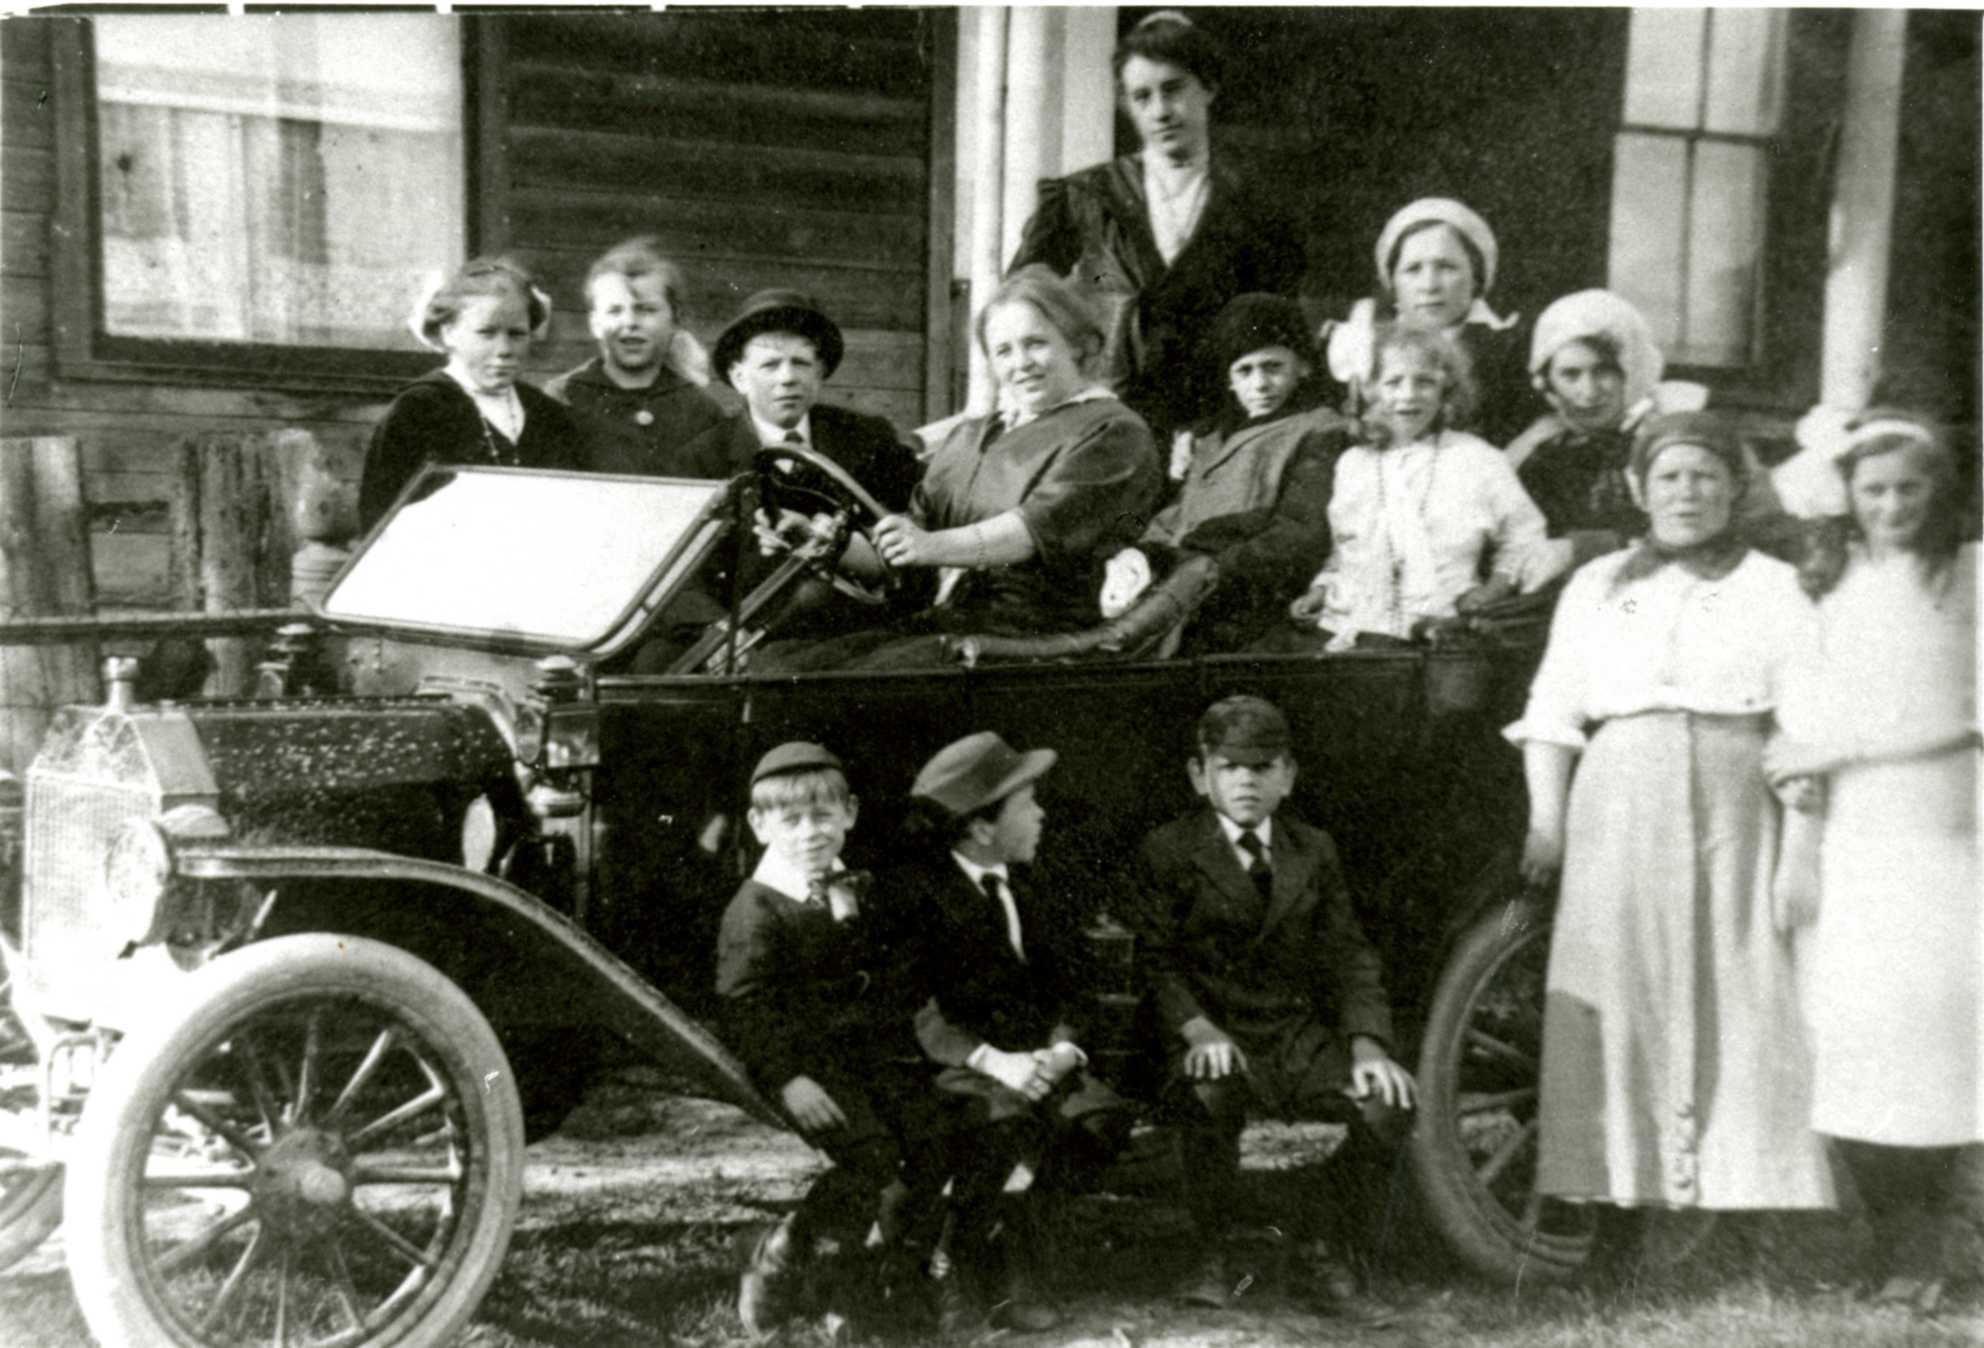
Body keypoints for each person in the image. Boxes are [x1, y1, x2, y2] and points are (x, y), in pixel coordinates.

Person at [1509, 410, 1834, 1220]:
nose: (1686, 493)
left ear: (1734, 486)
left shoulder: (1775, 586)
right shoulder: (1599, 584)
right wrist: (1546, 822)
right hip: (1620, 795)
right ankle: (1623, 1200)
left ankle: (1740, 1204)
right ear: (1638, 489)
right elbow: (1553, 711)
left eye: (1704, 476)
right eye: (1669, 478)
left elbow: (1804, 730)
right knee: (1619, 991)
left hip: (1738, 795)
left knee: (1743, 987)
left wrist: (1800, 852)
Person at [1767, 410, 1980, 1313]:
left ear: (1939, 493)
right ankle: (1885, 1243)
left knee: (1928, 1044)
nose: (1892, 505)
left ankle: (1929, 1250)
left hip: (1940, 832)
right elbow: (1802, 728)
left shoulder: (1969, 576)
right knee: (1856, 1046)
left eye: (1910, 488)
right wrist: (1799, 841)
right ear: (1848, 496)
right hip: (1852, 842)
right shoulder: (1830, 585)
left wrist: (1841, 749)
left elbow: (1971, 718)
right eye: (1874, 488)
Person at [1127, 696, 1413, 1326]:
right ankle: (1213, 1250)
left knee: (1387, 1104)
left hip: (1292, 1036)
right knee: (1209, 1093)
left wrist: (1369, 1045)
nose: (1246, 782)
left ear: (1288, 776)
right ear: (1200, 775)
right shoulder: (1170, 850)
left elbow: (1350, 954)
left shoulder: (1314, 849)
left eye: (1262, 768)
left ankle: (1319, 1244)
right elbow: (1156, 962)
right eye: (1229, 767)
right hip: (1209, 1031)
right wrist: (1198, 1029)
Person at [757, 267, 1162, 671]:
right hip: (953, 623)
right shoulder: (972, 436)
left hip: (1033, 639)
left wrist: (929, 546)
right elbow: (905, 545)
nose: (1021, 363)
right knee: (777, 663)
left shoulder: (1112, 431)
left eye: (1035, 343)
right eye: (1003, 351)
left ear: (1076, 345)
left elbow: (1031, 532)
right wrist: (822, 539)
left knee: (835, 684)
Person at [896, 731, 1130, 1334]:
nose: (1041, 814)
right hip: (960, 1066)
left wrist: (1061, 1048)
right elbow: (919, 1010)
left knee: (1096, 1121)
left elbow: (1072, 982)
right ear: (980, 827)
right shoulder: (919, 898)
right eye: (1027, 804)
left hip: (1038, 1059)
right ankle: (952, 1259)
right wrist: (996, 1062)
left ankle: (1023, 1249)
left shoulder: (1033, 884)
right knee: (999, 1126)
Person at [715, 743, 951, 1336]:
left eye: (823, 817)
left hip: (870, 1056)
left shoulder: (848, 887)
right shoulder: (757, 908)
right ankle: (780, 1252)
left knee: (931, 1143)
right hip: (808, 1068)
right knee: (869, 1157)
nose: (810, 834)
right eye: (790, 820)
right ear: (759, 825)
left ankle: (883, 1278)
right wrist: (789, 1078)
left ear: (849, 813)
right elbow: (744, 1007)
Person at [1006, 10, 1305, 442]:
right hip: (1105, 420)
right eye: (1142, 97)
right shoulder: (1086, 197)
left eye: (1173, 89)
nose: (1161, 111)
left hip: (1215, 424)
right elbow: (1021, 297)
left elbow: (1276, 325)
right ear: (1127, 105)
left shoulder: (1257, 208)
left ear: (1208, 87)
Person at [644, 289, 924, 662]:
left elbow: (920, 518)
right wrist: (717, 632)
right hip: (744, 646)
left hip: (855, 639)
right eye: (770, 365)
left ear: (821, 372)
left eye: (801, 363)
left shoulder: (867, 438)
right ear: (739, 377)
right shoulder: (700, 460)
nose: (788, 378)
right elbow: (675, 575)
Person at [1274, 324, 1553, 650]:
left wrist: (1493, 590)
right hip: (1347, 626)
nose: (1408, 395)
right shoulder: (1353, 463)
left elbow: (1524, 536)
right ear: (1370, 390)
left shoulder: (1476, 458)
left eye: (1424, 381)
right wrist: (1319, 592)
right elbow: (1344, 549)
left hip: (1440, 630)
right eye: (1393, 382)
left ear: (1446, 389)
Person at [1099, 293, 1349, 652]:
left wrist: (1205, 571)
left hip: (1248, 604)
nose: (1260, 384)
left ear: (1303, 367)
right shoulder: (1211, 440)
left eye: (1273, 367)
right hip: (1184, 595)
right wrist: (1142, 556)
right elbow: (1177, 519)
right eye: (1244, 371)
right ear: (1230, 381)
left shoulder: (1318, 430)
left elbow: (1298, 532)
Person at [1511, 289, 1794, 570]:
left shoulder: (1688, 432)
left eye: (1605, 371)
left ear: (1632, 369)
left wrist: (1586, 548)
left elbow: (1758, 528)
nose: (1588, 391)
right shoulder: (1539, 447)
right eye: (1570, 374)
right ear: (1546, 380)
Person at [359, 258, 584, 531]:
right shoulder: (418, 409)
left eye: (516, 334)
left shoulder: (546, 412)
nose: (504, 349)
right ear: (449, 332)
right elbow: (379, 520)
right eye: (487, 333)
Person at [1323, 197, 1531, 447]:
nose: (1429, 285)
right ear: (1393, 281)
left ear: (1476, 276)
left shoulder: (1507, 352)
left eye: (1446, 267)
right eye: (1413, 269)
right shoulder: (1360, 346)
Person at [543, 236, 726, 477]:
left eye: (647, 310)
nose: (630, 322)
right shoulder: (561, 399)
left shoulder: (700, 410)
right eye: (615, 311)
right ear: (595, 323)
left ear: (675, 319)